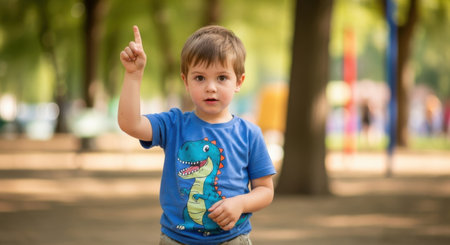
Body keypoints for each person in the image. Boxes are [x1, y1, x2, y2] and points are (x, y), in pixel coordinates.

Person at [118, 25, 276, 245]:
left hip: (232, 238)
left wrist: (240, 203)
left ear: (238, 81)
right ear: (186, 81)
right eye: (200, 78)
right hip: (177, 239)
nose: (210, 87)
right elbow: (130, 123)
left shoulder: (249, 134)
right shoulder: (173, 124)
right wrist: (133, 76)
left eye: (222, 78)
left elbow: (265, 191)